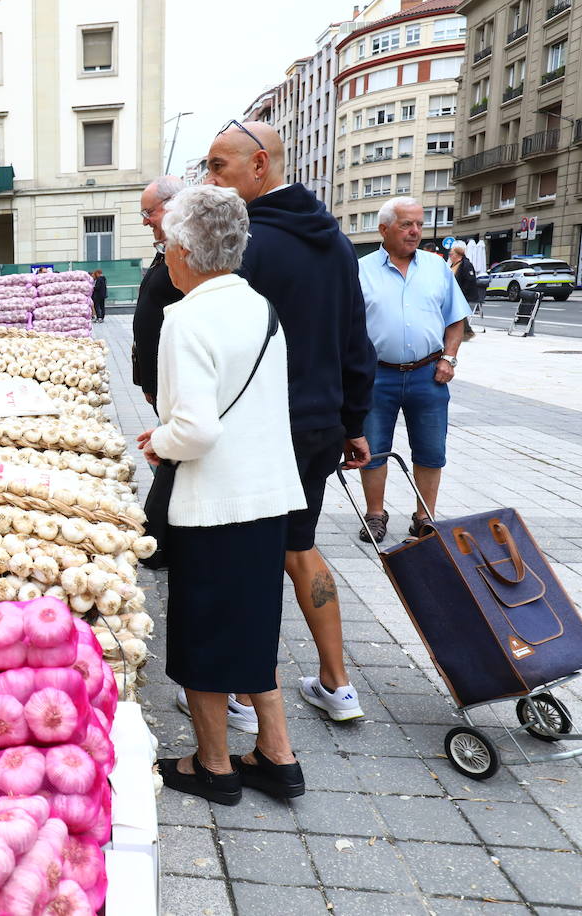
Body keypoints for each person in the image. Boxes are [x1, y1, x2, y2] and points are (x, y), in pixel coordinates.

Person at [137, 184, 307, 806]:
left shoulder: (186, 318)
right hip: (268, 495)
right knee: (256, 630)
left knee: (201, 635)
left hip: (214, 505)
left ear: (183, 249)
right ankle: (277, 755)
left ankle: (214, 766)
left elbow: (197, 429)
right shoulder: (260, 308)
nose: (165, 254)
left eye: (165, 243)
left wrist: (160, 439)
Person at [204, 120, 376, 723]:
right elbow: (357, 338)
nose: (209, 178)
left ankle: (248, 697)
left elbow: (224, 343)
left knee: (250, 557)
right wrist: (354, 421)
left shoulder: (247, 245)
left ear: (259, 167)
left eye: (218, 166)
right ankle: (338, 684)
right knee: (299, 547)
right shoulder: (334, 242)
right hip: (320, 425)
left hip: (263, 428)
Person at [358, 197, 471, 543]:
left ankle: (425, 516)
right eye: (407, 224)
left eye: (419, 224)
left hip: (428, 373)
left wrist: (449, 358)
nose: (415, 231)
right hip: (378, 374)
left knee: (431, 449)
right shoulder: (359, 270)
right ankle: (375, 515)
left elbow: (456, 319)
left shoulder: (437, 268)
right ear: (384, 229)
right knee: (373, 449)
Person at [131, 176, 186, 405]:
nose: (145, 222)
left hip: (174, 387)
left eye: (148, 213)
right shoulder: (165, 248)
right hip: (160, 386)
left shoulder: (186, 251)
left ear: (172, 204)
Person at [449, 242, 482, 338]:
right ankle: (465, 332)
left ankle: (467, 332)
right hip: (454, 293)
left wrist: (462, 292)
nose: (450, 256)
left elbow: (470, 280)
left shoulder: (466, 265)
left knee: (459, 312)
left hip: (463, 293)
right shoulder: (453, 265)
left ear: (458, 255)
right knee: (458, 312)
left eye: (452, 254)